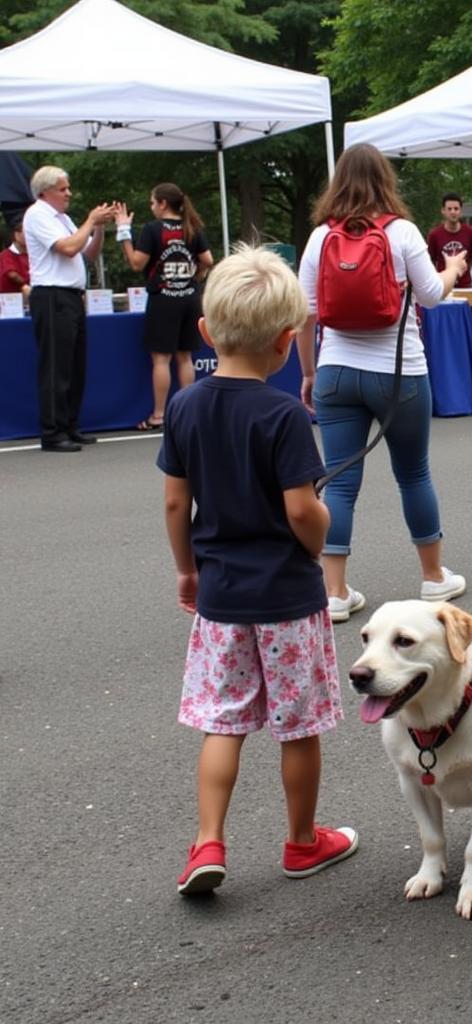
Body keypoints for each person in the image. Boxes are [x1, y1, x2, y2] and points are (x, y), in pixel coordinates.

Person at [159, 245, 358, 896]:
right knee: (296, 727)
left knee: (224, 721)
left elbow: (174, 500)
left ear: (207, 332)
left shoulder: (186, 406)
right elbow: (302, 510)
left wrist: (187, 571)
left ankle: (206, 841)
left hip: (220, 595)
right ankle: (302, 841)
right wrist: (323, 529)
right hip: (288, 600)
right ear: (285, 340)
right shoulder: (285, 416)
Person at [297, 144, 468, 623]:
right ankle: (434, 578)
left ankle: (334, 591)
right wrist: (451, 269)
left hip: (336, 371)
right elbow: (432, 297)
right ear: (385, 181)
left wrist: (309, 373)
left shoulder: (319, 238)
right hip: (400, 371)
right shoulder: (402, 232)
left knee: (341, 482)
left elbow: (305, 315)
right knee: (413, 473)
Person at [22, 165, 114, 452]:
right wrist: (90, 220)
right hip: (52, 295)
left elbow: (89, 251)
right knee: (56, 366)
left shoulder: (62, 218)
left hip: (71, 296)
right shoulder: (38, 214)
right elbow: (67, 248)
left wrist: (97, 228)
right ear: (45, 192)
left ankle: (70, 424)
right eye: (63, 189)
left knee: (75, 365)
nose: (68, 194)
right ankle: (52, 431)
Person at [113, 183, 214, 429]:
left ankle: (159, 415)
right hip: (190, 297)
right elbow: (208, 260)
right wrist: (193, 277)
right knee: (185, 357)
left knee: (161, 359)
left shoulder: (152, 229)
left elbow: (137, 263)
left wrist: (123, 232)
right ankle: (188, 413)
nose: (151, 207)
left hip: (164, 299)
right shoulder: (191, 228)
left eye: (152, 202)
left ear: (162, 204)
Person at [426, 193, 472, 289]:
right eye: (449, 209)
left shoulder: (470, 233)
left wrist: (469, 267)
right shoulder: (434, 235)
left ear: (460, 211)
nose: (453, 212)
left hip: (465, 287)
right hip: (443, 286)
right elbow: (430, 260)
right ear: (443, 211)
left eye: (456, 209)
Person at [0, 219, 30, 296]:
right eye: (27, 233)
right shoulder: (6, 255)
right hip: (10, 300)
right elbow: (12, 274)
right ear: (16, 234)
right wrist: (25, 285)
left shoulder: (32, 254)